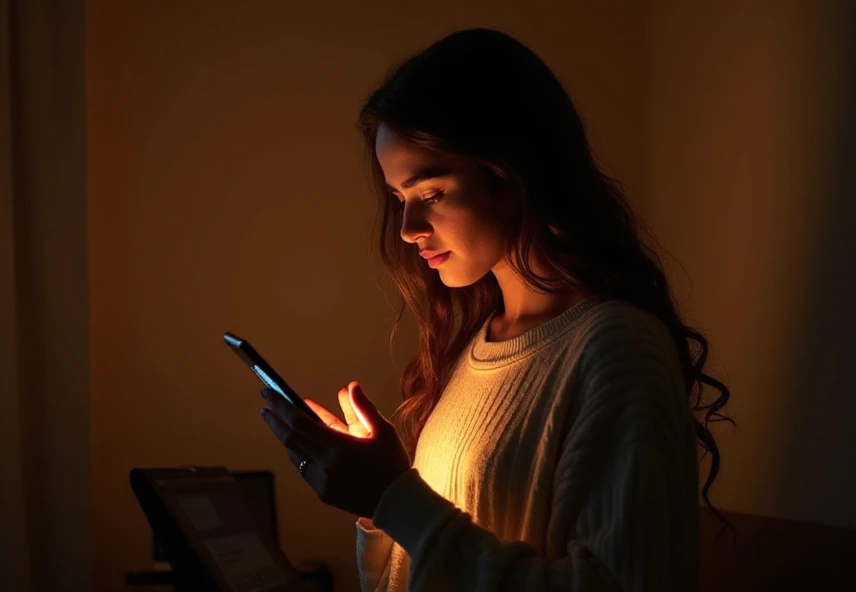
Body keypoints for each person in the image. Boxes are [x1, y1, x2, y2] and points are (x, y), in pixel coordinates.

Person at [257, 27, 733, 591]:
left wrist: (392, 496)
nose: (408, 229)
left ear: (511, 174)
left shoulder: (616, 349)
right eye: (399, 199)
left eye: (431, 193)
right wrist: (379, 502)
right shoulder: (478, 348)